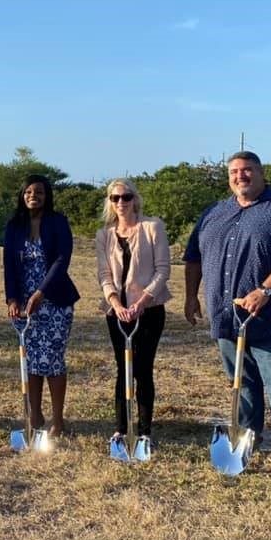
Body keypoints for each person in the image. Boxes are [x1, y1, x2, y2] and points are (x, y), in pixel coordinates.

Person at [184, 151, 271, 474]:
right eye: (234, 171)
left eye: (247, 171)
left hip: (270, 319)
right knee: (240, 383)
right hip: (226, 317)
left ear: (261, 173)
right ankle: (245, 441)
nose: (240, 176)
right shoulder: (214, 212)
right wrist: (190, 297)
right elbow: (193, 257)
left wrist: (265, 290)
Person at [95, 178, 171, 448]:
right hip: (117, 312)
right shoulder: (104, 235)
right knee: (122, 369)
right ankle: (120, 428)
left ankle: (145, 430)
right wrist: (115, 304)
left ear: (135, 199)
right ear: (110, 202)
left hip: (148, 310)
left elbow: (163, 269)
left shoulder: (152, 228)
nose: (121, 203)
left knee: (143, 368)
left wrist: (142, 301)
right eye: (115, 198)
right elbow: (104, 275)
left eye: (126, 197)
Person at [3, 174, 80, 437]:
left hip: (54, 301)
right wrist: (13, 298)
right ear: (22, 196)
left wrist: (41, 293)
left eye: (39, 192)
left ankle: (58, 420)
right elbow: (9, 266)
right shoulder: (14, 227)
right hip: (24, 305)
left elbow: (62, 259)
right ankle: (34, 414)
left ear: (47, 196)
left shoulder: (57, 223)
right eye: (28, 192)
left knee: (53, 361)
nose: (33, 196)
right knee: (30, 360)